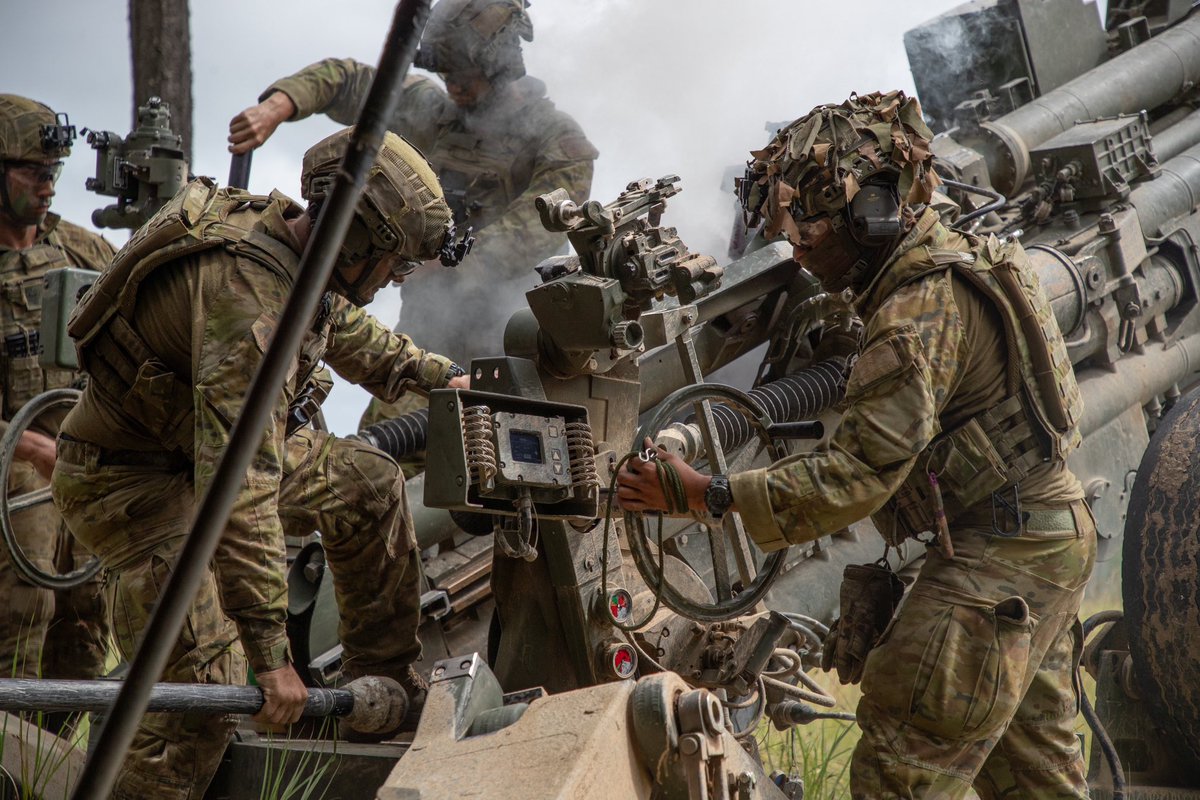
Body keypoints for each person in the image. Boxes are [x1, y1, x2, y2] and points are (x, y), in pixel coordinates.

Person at [617, 91, 1095, 799]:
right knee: (1036, 782)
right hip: (1043, 543)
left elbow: (856, 476)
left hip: (996, 565)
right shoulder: (965, 261)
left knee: (897, 774)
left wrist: (705, 493)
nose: (800, 240)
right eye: (791, 218)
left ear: (875, 214)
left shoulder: (912, 316)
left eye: (816, 219)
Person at [51, 128, 470, 799]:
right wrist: (270, 659)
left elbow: (345, 329)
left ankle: (383, 692)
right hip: (133, 485)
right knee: (204, 705)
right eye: (394, 262)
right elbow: (240, 491)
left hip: (195, 458)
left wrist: (439, 376)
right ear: (358, 238)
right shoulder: (247, 298)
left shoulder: (294, 245)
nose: (396, 278)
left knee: (367, 482)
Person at [229, 0, 598, 400]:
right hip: (426, 332)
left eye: (463, 75)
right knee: (388, 446)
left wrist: (445, 265)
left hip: (508, 337)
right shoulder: (436, 111)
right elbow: (348, 81)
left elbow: (536, 228)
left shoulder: (557, 141)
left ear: (501, 64)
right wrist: (277, 106)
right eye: (445, 74)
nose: (452, 86)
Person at [0, 94, 112, 691]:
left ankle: (67, 765)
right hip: (16, 481)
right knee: (23, 617)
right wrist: (37, 453)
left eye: (54, 174)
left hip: (79, 468)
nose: (48, 187)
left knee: (85, 622)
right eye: (34, 173)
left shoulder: (80, 252)